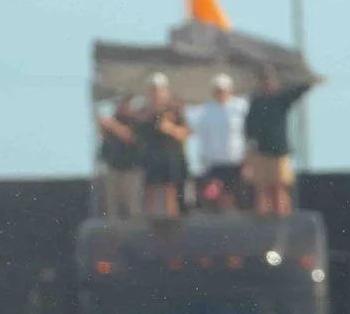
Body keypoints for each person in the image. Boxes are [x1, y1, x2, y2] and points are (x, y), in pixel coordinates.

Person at [245, 65, 318, 216]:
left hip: (278, 151)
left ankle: (282, 216)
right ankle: (263, 216)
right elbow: (249, 125)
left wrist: (309, 82)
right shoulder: (256, 102)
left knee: (279, 186)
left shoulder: (280, 100)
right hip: (260, 151)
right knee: (262, 187)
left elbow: (297, 92)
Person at [189, 74, 249, 210]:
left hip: (236, 161)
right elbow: (191, 126)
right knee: (213, 198)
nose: (221, 93)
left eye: (223, 90)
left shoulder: (241, 107)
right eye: (218, 90)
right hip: (214, 163)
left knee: (237, 199)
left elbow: (248, 133)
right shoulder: (206, 110)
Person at [134, 73, 190, 219]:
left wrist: (169, 128)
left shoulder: (175, 109)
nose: (156, 93)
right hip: (151, 158)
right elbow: (135, 134)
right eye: (153, 90)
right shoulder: (143, 112)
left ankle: (172, 224)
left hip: (171, 158)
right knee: (150, 192)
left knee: (170, 191)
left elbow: (185, 132)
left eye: (159, 90)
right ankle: (150, 227)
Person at [94, 94, 145, 220]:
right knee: (112, 207)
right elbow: (103, 141)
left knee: (132, 207)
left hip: (131, 170)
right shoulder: (113, 120)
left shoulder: (137, 121)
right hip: (113, 168)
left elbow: (129, 136)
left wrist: (112, 125)